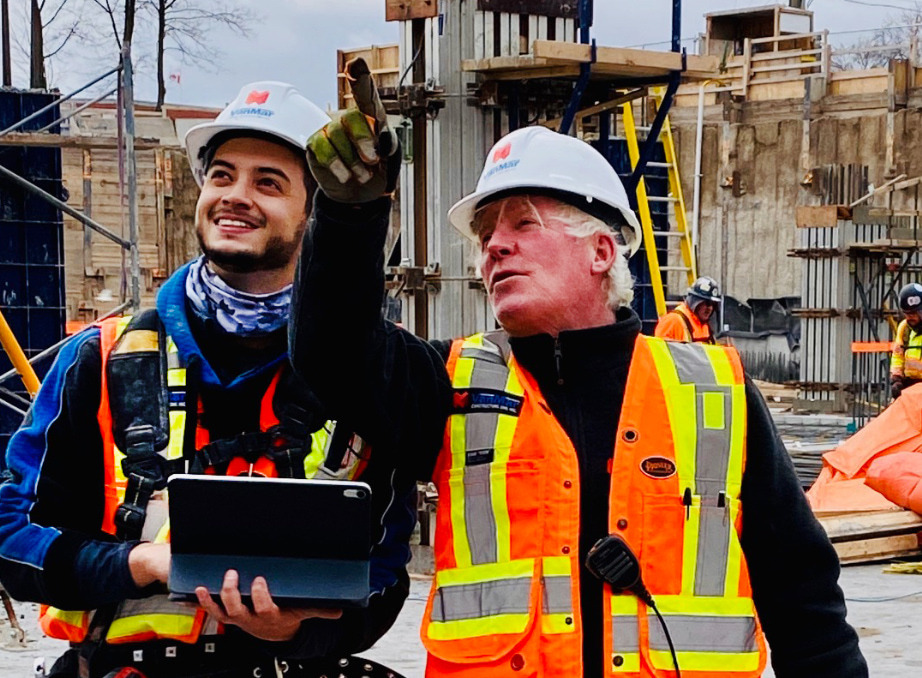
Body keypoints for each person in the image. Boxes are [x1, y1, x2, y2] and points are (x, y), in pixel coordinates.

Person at [291, 63, 867, 678]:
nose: (493, 246)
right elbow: (331, 354)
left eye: (522, 223)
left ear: (601, 251)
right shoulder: (450, 382)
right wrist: (350, 218)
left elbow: (802, 594)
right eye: (486, 233)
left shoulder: (712, 393)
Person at [0, 81, 417, 678]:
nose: (235, 197)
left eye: (267, 183)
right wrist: (139, 563)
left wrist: (294, 631)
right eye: (222, 176)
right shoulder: (104, 358)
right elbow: (11, 537)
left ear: (316, 212)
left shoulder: (370, 370)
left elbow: (384, 568)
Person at [654, 276, 721, 343]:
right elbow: (659, 349)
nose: (710, 308)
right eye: (707, 303)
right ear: (695, 302)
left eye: (713, 304)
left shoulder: (705, 326)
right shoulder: (672, 321)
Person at [889, 282, 922, 399]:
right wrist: (896, 379)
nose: (909, 317)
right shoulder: (904, 328)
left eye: (913, 313)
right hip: (909, 387)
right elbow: (898, 355)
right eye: (906, 313)